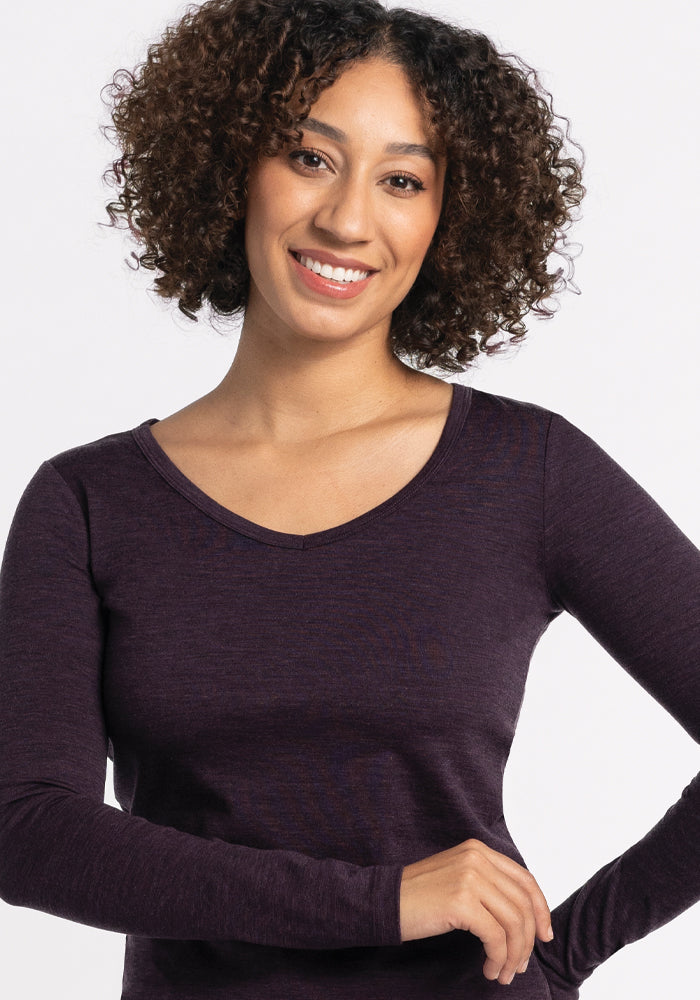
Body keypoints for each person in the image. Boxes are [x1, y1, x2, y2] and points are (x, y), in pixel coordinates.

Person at [0, 0, 697, 997]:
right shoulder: (87, 502)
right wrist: (378, 900)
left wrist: (559, 951)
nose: (347, 219)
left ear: (447, 216)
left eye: (402, 179)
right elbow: (29, 831)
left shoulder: (526, 471)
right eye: (310, 158)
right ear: (231, 163)